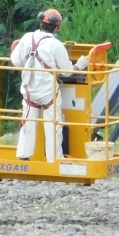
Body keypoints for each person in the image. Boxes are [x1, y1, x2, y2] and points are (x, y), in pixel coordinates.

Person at [12, 9, 87, 162]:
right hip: (48, 93)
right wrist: (81, 64)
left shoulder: (26, 38)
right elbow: (67, 72)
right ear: (56, 27)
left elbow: (16, 61)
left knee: (28, 124)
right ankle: (54, 160)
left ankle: (23, 158)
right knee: (54, 126)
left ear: (41, 23)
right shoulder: (56, 45)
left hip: (29, 92)